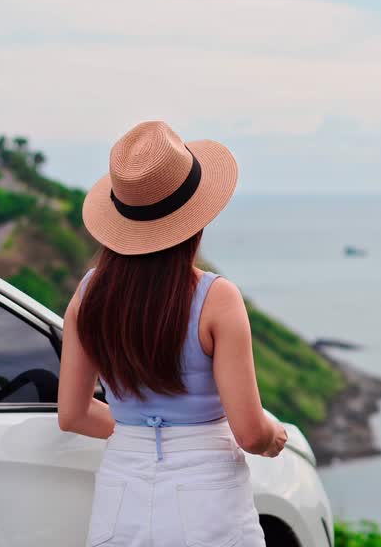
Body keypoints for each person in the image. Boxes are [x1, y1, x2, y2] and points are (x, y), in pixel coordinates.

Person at [58, 121, 287, 547]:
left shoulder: (89, 293)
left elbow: (72, 414)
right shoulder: (216, 297)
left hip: (121, 490)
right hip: (206, 497)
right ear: (196, 218)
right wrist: (276, 437)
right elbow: (251, 433)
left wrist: (140, 431)